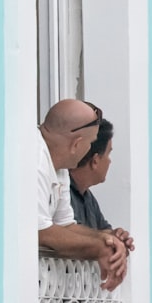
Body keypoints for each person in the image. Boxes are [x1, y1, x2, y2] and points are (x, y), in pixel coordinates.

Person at [37, 99, 127, 290]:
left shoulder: (59, 165)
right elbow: (41, 232)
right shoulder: (35, 160)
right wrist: (97, 247)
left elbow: (65, 225)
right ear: (76, 144)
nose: (90, 150)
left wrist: (107, 238)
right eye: (91, 142)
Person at [68, 118, 135, 255]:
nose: (110, 161)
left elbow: (102, 231)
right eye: (108, 153)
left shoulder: (88, 197)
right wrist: (106, 238)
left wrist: (117, 237)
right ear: (95, 160)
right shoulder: (60, 190)